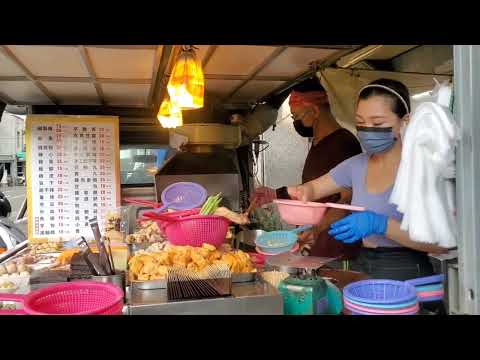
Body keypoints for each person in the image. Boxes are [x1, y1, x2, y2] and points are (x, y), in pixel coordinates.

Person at [287, 78, 448, 284]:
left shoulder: (423, 168)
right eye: (361, 123)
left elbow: (441, 244)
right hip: (363, 263)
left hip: (407, 270)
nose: (367, 130)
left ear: (405, 121)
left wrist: (381, 225)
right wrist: (302, 194)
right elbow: (314, 187)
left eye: (378, 123)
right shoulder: (356, 165)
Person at [252, 77, 363, 262]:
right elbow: (315, 188)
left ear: (314, 110)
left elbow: (347, 201)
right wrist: (275, 194)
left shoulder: (343, 144)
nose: (295, 123)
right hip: (316, 245)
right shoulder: (318, 143)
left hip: (337, 251)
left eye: (297, 116)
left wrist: (317, 229)